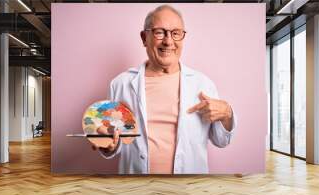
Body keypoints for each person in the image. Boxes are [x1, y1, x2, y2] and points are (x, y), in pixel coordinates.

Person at [88, 5, 236, 174]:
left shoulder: (203, 84)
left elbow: (221, 140)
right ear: (144, 38)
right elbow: (117, 141)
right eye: (159, 32)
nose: (168, 41)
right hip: (136, 188)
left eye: (176, 33)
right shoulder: (120, 85)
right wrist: (109, 146)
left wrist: (227, 113)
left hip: (188, 190)